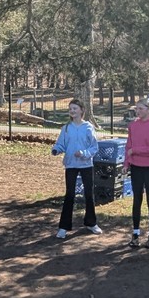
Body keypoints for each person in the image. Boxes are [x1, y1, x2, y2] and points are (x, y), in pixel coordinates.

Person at [50, 98, 101, 240]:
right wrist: (56, 150)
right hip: (71, 165)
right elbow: (61, 144)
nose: (72, 111)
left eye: (75, 108)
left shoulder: (88, 127)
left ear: (82, 110)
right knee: (70, 195)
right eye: (70, 109)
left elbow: (94, 147)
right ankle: (63, 227)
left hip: (86, 165)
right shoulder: (66, 128)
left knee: (89, 194)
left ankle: (91, 223)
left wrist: (84, 153)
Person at [123, 98, 149, 248]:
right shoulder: (133, 125)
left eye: (141, 108)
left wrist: (136, 151)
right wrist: (127, 162)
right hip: (136, 167)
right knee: (137, 200)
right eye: (137, 108)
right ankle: (135, 233)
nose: (137, 111)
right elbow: (129, 145)